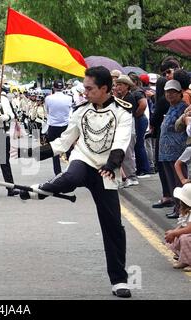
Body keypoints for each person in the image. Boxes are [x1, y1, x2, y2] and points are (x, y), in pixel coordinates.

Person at [13, 66, 133, 298]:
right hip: (83, 158)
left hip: (106, 169)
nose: (84, 92)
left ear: (104, 89)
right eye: (85, 88)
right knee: (71, 177)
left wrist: (112, 165)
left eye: (89, 88)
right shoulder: (81, 110)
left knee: (113, 226)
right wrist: (32, 152)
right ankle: (40, 190)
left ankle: (119, 280)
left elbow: (121, 141)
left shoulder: (122, 112)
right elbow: (63, 142)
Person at [158, 80, 188, 219]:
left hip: (177, 151)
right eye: (167, 92)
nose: (169, 94)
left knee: (178, 182)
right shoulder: (171, 107)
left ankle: (182, 209)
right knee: (172, 182)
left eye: (173, 92)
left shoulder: (184, 108)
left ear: (180, 93)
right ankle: (177, 208)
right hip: (166, 152)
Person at [44, 80, 73, 175]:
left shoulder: (48, 98)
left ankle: (57, 173)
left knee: (54, 151)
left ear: (54, 87)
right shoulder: (69, 98)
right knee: (68, 148)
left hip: (53, 126)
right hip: (65, 125)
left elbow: (47, 111)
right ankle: (72, 170)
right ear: (63, 87)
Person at [165, 183, 191, 272]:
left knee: (185, 238)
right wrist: (173, 232)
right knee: (177, 237)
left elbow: (189, 229)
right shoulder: (187, 212)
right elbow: (182, 224)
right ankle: (184, 259)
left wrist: (174, 233)